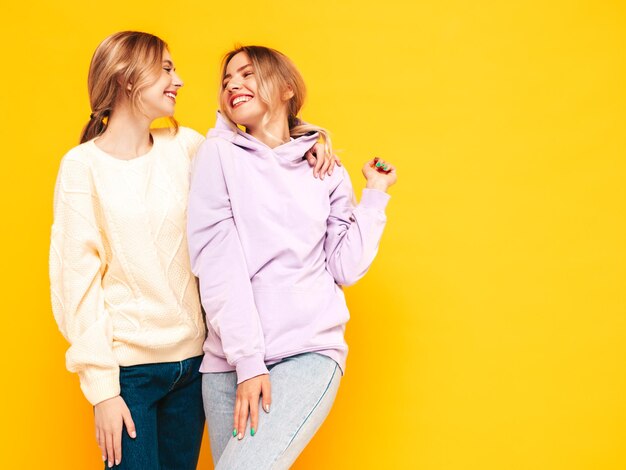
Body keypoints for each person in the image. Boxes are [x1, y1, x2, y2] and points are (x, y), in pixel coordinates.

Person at [49, 32, 334, 469]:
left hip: (196, 369)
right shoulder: (81, 167)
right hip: (130, 377)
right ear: (127, 78)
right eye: (165, 68)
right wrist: (103, 391)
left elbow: (259, 155)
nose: (179, 80)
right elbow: (76, 287)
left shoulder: (188, 147)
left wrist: (310, 140)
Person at [187, 45, 397, 469]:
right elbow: (217, 264)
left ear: (286, 89)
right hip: (229, 361)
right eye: (227, 80)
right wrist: (247, 362)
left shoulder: (325, 169)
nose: (233, 85)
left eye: (247, 74)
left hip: (307, 350)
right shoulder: (218, 155)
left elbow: (345, 266)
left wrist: (374, 195)